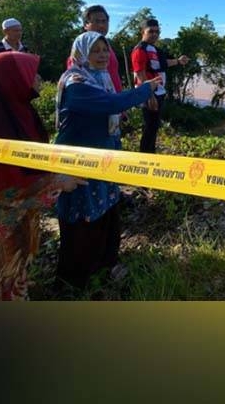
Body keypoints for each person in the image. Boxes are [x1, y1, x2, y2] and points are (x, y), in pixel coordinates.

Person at [0, 52, 84, 300]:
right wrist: (56, 183)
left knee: (15, 278)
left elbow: (31, 160)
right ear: (12, 79)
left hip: (14, 219)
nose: (39, 78)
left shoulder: (16, 110)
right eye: (31, 73)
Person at [54, 32, 160, 288]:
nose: (103, 56)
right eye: (96, 51)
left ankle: (105, 263)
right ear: (81, 54)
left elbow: (110, 115)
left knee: (107, 210)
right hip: (79, 162)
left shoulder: (99, 77)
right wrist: (147, 88)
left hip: (103, 158)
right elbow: (112, 104)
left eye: (105, 50)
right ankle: (77, 280)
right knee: (83, 218)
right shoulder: (76, 82)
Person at [131, 18, 188, 154]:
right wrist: (149, 96)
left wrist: (178, 61)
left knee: (154, 126)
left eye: (157, 31)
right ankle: (145, 157)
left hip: (158, 92)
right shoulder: (140, 50)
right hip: (149, 94)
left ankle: (151, 153)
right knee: (150, 126)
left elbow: (162, 64)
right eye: (151, 31)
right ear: (142, 32)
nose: (155, 34)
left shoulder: (154, 49)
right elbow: (140, 74)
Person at [69, 5, 123, 93]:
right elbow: (74, 74)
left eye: (104, 21)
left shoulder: (106, 45)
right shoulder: (81, 49)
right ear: (85, 24)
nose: (101, 25)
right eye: (96, 21)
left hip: (114, 100)